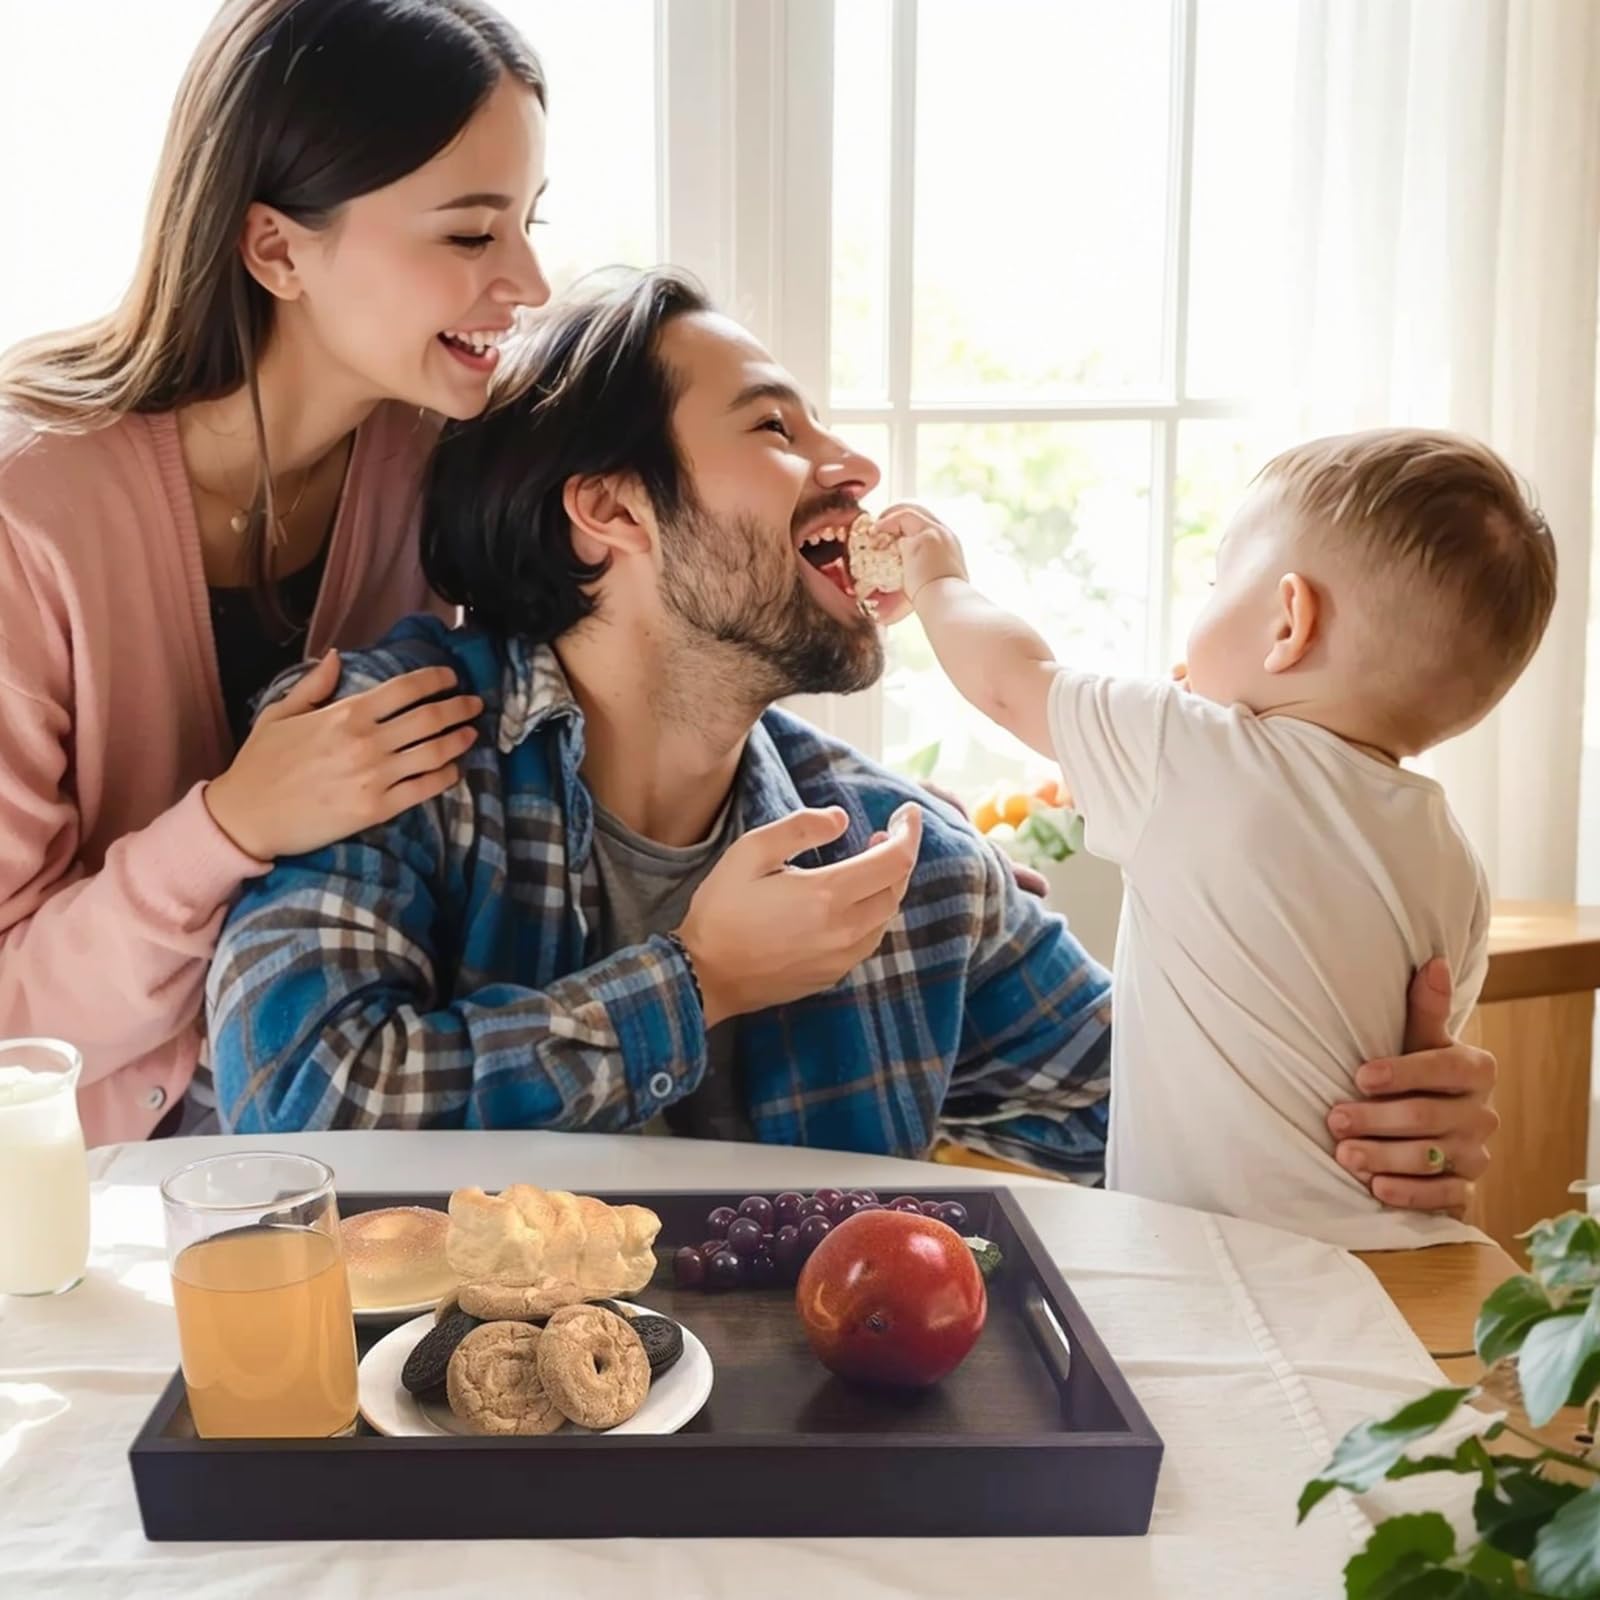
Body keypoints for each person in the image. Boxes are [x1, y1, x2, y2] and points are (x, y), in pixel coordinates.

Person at [207, 269, 1498, 1215]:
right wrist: (694, 984)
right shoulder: (393, 747)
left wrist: (1387, 1123)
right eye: (774, 428)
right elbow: (297, 1127)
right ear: (609, 509)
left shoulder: (912, 873)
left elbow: (1159, 1120)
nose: (854, 470)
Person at [0, 0, 550, 1144]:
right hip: (92, 1203)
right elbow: (11, 1027)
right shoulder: (27, 514)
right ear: (275, 248)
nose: (530, 281)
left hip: (355, 1143)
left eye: (532, 223)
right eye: (469, 234)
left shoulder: (441, 450)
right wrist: (234, 824)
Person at [892, 428, 1551, 1245]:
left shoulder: (1191, 748)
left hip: (1229, 1258)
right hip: (1406, 1247)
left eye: (1215, 583)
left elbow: (1009, 681)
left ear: (1289, 620)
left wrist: (939, 581)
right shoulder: (1454, 860)